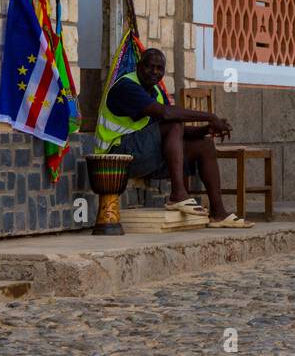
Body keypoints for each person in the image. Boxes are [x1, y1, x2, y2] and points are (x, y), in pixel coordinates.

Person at [96, 48, 253, 228]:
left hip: (143, 155)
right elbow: (168, 115)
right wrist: (210, 117)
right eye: (150, 67)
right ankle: (178, 194)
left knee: (205, 145)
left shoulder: (155, 91)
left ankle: (218, 213)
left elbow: (175, 133)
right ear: (139, 67)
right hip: (117, 156)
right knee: (173, 121)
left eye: (159, 68)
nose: (155, 72)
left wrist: (207, 129)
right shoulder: (126, 86)